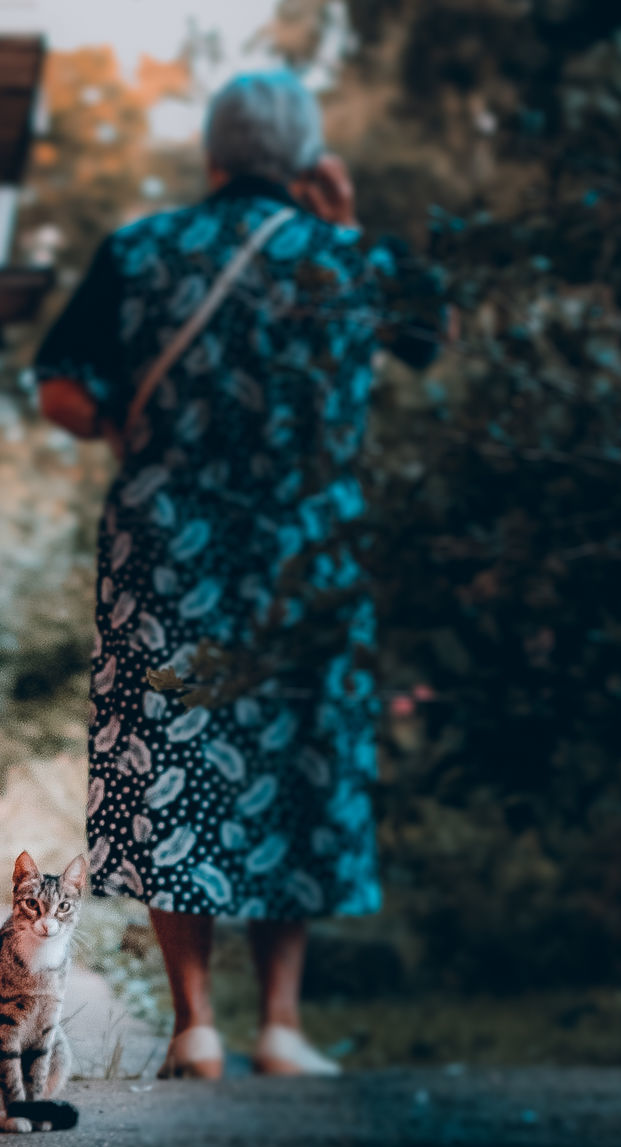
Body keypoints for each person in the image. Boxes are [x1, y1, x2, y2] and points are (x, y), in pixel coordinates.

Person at [33, 70, 445, 1078]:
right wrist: (345, 223)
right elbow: (423, 337)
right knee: (293, 760)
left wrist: (117, 420)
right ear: (307, 159)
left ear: (212, 154)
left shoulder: (140, 252)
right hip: (305, 549)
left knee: (174, 756)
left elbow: (57, 389)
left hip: (166, 542)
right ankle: (281, 1023)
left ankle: (193, 1025)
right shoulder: (348, 259)